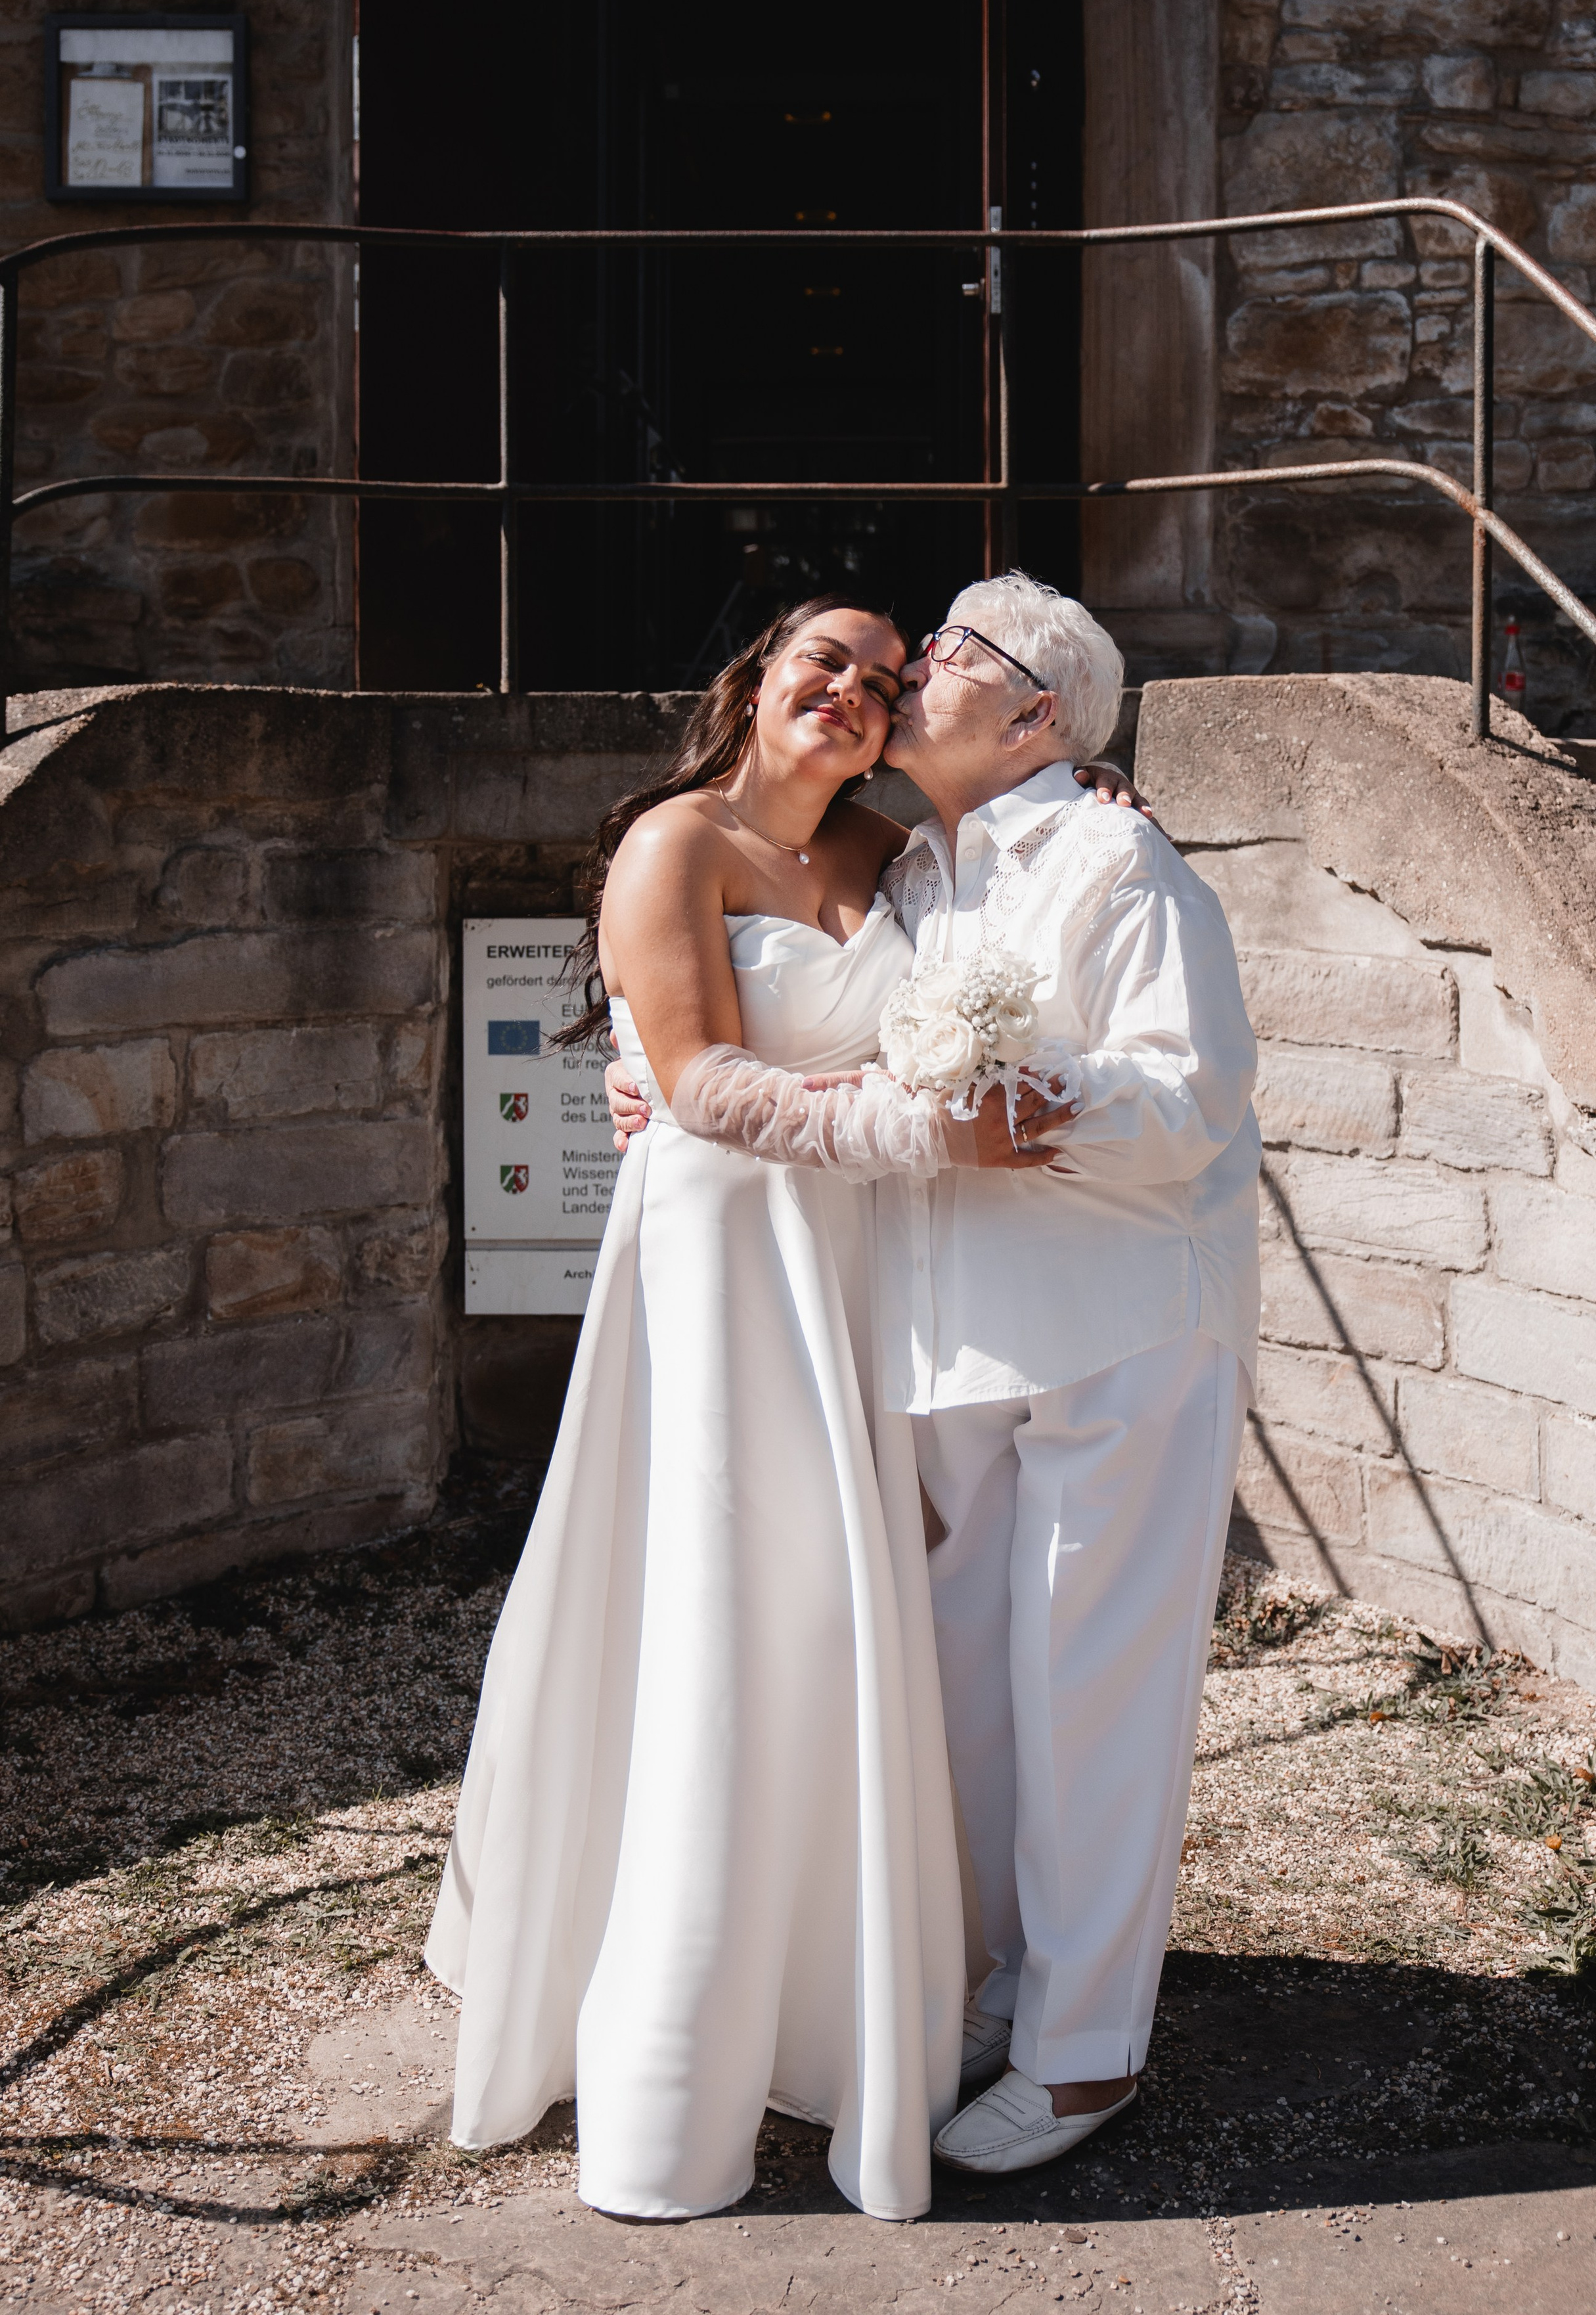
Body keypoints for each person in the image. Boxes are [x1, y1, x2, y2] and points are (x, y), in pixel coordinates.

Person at [610, 571, 1260, 2178]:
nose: (906, 684)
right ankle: (989, 1985)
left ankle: (1083, 2048)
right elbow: (767, 1010)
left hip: (1111, 1322)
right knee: (971, 1701)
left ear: (1037, 713)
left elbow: (1191, 1098)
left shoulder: (1117, 856)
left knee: (1090, 1697)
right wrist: (654, 1076)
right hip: (947, 1339)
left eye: (945, 658)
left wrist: (1008, 1100)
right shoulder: (915, 870)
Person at [427, 595, 1046, 2226]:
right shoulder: (671, 846)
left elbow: (1005, 904)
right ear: (756, 682)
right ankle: (675, 2058)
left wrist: (1105, 793)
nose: (853, 690)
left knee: (837, 1615)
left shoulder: (888, 850)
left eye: (885, 678)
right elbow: (694, 1081)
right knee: (719, 1608)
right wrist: (930, 1133)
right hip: (718, 1259)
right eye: (823, 661)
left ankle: (835, 2003)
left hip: (847, 1264)